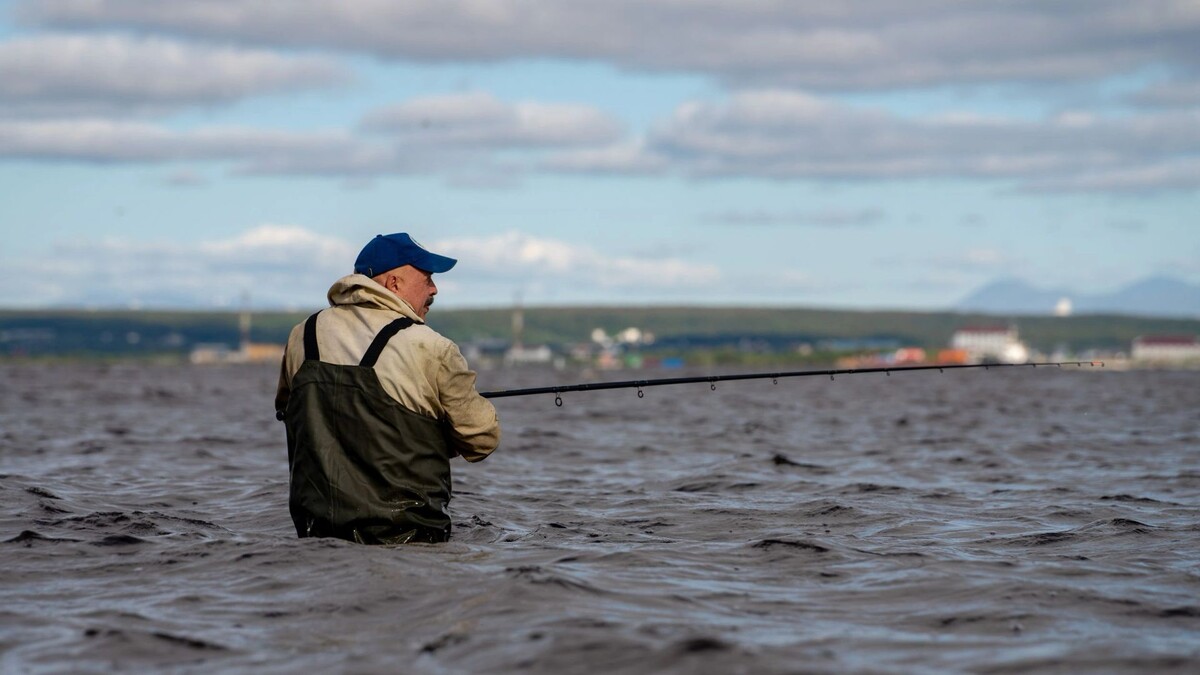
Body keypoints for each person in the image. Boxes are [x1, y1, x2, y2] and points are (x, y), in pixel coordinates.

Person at [274, 233, 500, 545]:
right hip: (410, 539)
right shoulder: (431, 347)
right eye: (427, 277)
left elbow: (289, 411)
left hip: (315, 538)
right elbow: (482, 439)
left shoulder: (302, 334)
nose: (434, 289)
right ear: (394, 283)